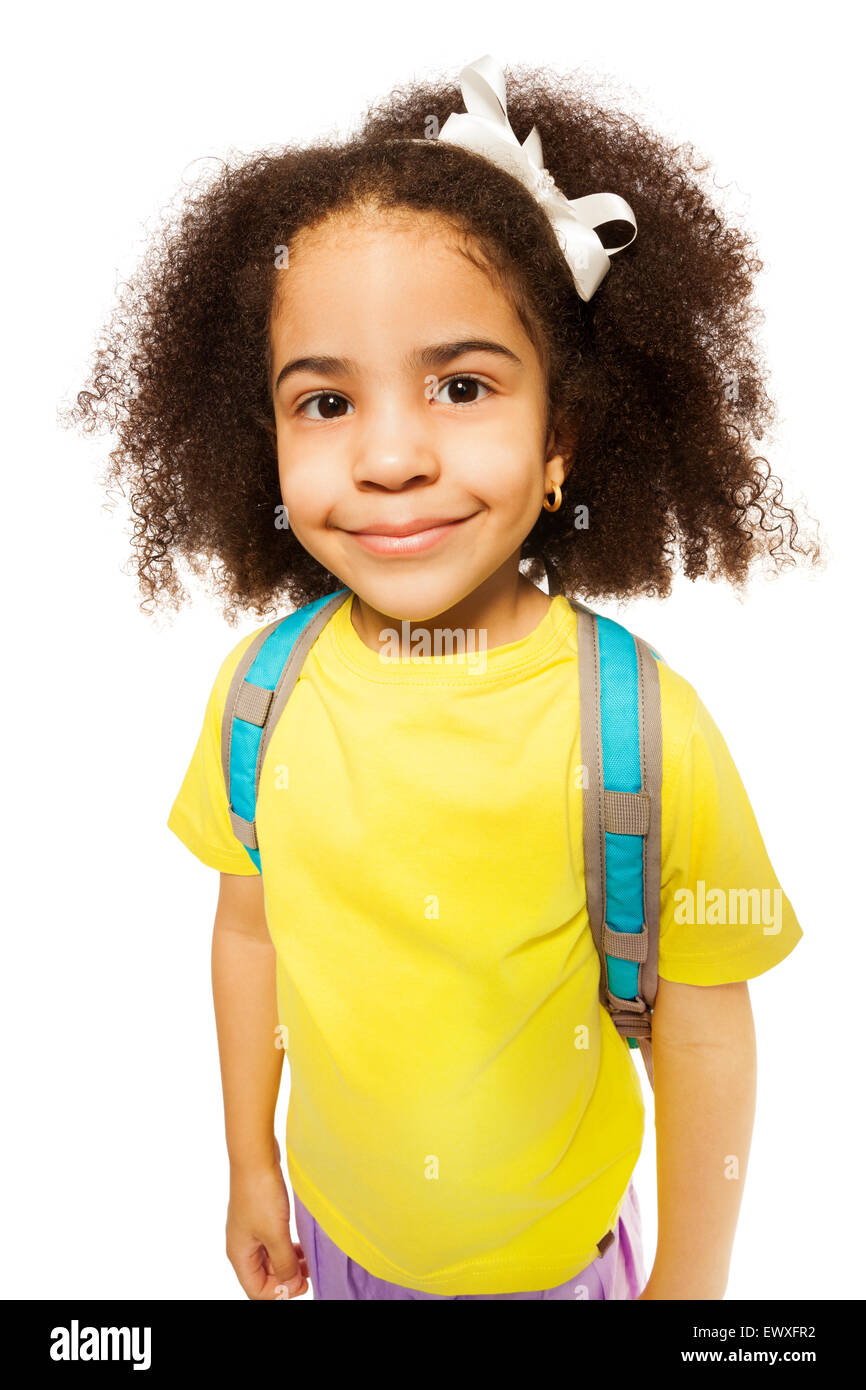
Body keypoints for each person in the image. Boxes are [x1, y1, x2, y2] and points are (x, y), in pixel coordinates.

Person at [68, 54, 817, 1300]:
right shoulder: (262, 695)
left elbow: (704, 1024)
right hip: (335, 1239)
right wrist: (248, 1162)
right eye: (323, 402)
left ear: (561, 436)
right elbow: (249, 933)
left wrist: (690, 1292)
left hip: (559, 1272)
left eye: (460, 387)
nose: (392, 454)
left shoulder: (642, 729)